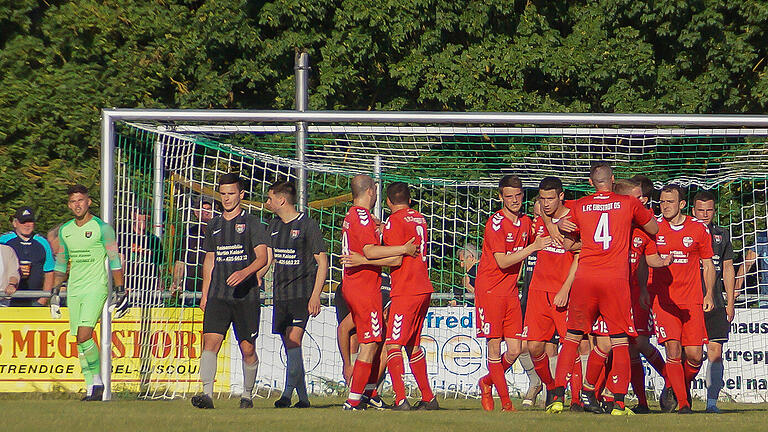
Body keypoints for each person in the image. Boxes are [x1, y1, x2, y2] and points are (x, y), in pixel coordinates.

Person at [548, 162, 657, 416]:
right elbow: (654, 228)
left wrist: (586, 244)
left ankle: (557, 397)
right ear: (613, 179)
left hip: (585, 278)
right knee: (620, 342)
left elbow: (567, 243)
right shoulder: (629, 204)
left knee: (572, 337)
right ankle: (618, 403)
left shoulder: (581, 205)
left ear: (591, 182)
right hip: (614, 280)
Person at [337, 175, 415, 410]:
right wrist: (402, 250)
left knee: (374, 339)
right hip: (363, 287)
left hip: (355, 285)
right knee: (370, 343)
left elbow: (366, 247)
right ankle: (353, 400)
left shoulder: (355, 216)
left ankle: (367, 392)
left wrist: (379, 232)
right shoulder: (361, 217)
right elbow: (369, 251)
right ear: (370, 191)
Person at [191, 174, 268, 410]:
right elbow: (209, 261)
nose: (226, 198)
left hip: (246, 296)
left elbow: (263, 257)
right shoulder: (213, 225)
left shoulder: (253, 223)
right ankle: (206, 395)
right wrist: (205, 293)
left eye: (231, 194)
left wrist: (245, 273)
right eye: (223, 194)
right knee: (210, 343)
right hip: (218, 295)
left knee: (248, 348)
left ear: (241, 195)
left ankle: (247, 395)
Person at [475, 175, 550, 412]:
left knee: (517, 349)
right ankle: (506, 403)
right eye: (509, 196)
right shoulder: (495, 224)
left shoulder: (526, 222)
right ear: (501, 197)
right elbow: (503, 261)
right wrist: (533, 247)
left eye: (518, 195)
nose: (515, 200)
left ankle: (486, 382)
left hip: (510, 292)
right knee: (495, 347)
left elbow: (543, 234)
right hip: (490, 290)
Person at [52, 184, 125, 401]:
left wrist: (120, 289)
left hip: (95, 287)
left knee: (85, 334)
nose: (77, 205)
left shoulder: (102, 228)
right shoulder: (65, 230)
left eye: (80, 200)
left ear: (89, 202)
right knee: (78, 340)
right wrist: (55, 291)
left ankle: (98, 382)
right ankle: (92, 387)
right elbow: (62, 261)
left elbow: (114, 259)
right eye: (73, 202)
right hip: (74, 289)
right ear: (69, 205)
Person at [650, 184, 715, 414]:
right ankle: (684, 403)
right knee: (673, 352)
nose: (665, 206)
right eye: (662, 202)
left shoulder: (698, 229)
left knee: (695, 357)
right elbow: (645, 260)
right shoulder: (654, 227)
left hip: (692, 300)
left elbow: (708, 264)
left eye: (670, 202)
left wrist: (708, 294)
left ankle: (675, 384)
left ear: (682, 205)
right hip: (664, 301)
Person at [265, 181, 328, 409]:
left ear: (281, 200)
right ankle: (303, 399)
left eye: (270, 198)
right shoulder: (273, 225)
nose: (267, 202)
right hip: (280, 295)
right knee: (291, 347)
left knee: (294, 341)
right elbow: (268, 258)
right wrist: (255, 277)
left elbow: (322, 262)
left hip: (302, 294)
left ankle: (286, 395)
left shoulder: (307, 225)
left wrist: (315, 296)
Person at [376, 181, 439, 410]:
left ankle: (401, 399)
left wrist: (366, 258)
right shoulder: (419, 217)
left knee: (393, 344)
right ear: (410, 200)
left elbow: (395, 258)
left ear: (388, 202)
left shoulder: (394, 220)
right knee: (412, 344)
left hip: (406, 289)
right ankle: (428, 397)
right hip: (423, 286)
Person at [522, 178, 580, 410]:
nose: (545, 204)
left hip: (563, 291)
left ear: (561, 196)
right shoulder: (539, 222)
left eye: (550, 198)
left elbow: (580, 254)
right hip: (538, 291)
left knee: (571, 345)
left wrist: (566, 288)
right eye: (542, 199)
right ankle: (553, 388)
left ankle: (576, 400)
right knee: (534, 347)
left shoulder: (574, 219)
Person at [691, 190, 735, 413]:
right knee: (690, 354)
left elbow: (728, 268)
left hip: (716, 302)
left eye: (709, 210)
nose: (704, 214)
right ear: (693, 210)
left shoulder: (722, 235)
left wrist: (730, 302)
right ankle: (680, 396)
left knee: (715, 352)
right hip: (689, 301)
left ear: (714, 211)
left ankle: (712, 403)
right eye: (700, 210)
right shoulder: (686, 232)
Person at [0, 207, 55, 306]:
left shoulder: (42, 242)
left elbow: (49, 272)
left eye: (30, 221)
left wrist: (43, 299)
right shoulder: (4, 240)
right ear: (15, 223)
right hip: (7, 300)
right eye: (23, 222)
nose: (27, 225)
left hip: (35, 300)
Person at [172, 198, 214, 305]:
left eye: (209, 209)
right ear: (196, 213)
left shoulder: (220, 234)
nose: (205, 212)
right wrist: (176, 283)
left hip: (213, 292)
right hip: (190, 292)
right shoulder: (189, 234)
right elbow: (180, 263)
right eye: (202, 209)